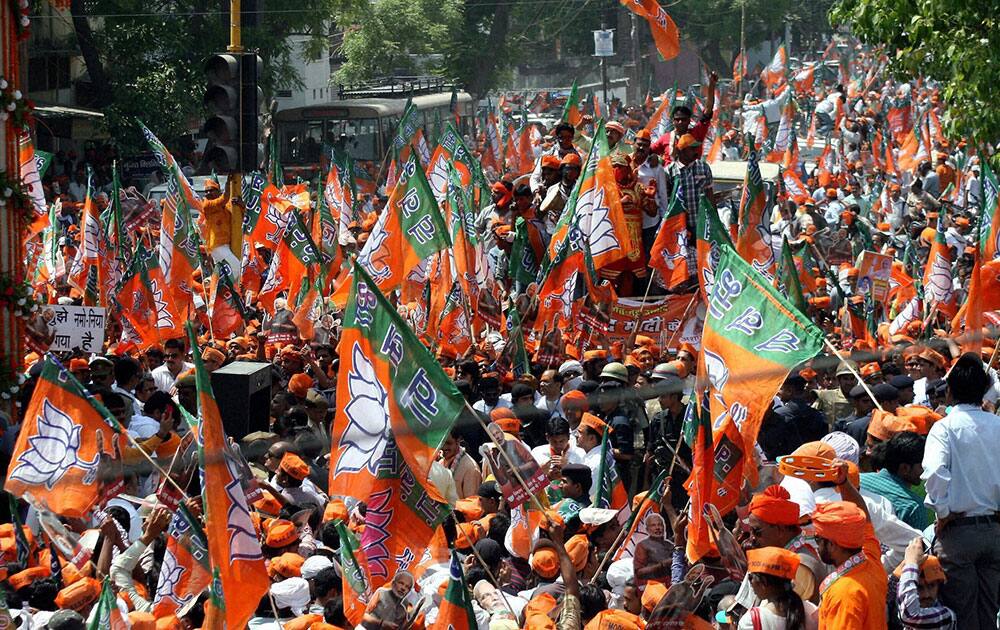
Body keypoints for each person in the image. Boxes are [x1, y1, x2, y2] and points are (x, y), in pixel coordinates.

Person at [921, 352, 1000, 629]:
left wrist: (943, 512)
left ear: (950, 392)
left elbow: (933, 472)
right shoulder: (998, 425)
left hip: (959, 532)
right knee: (989, 613)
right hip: (993, 530)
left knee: (963, 615)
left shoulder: (944, 428)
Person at [812, 500, 888, 629]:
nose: (816, 546)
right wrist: (843, 483)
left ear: (831, 545)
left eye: (817, 539)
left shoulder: (843, 593)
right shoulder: (872, 562)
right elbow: (867, 523)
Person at [738, 547, 818, 629]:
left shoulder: (750, 621)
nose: (750, 583)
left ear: (764, 581)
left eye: (750, 577)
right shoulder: (812, 611)